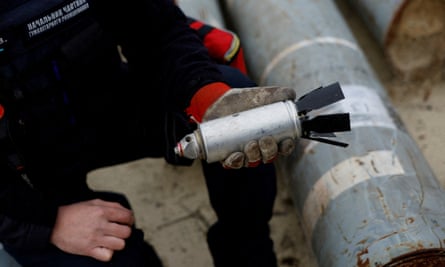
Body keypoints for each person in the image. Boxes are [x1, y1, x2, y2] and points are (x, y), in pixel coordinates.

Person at [0, 0, 296, 266]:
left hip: (101, 107)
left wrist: (205, 95)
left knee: (240, 121)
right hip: (24, 175)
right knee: (116, 255)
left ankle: (245, 252)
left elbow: (156, 30)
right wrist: (48, 223)